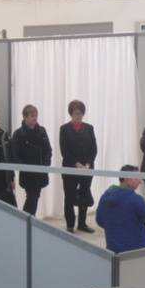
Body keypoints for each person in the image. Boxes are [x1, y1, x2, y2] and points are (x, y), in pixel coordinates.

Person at [59, 100, 97, 233]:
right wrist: (77, 164)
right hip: (71, 168)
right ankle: (70, 225)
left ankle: (82, 223)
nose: (78, 116)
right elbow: (65, 151)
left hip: (87, 168)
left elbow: (93, 149)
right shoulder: (65, 129)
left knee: (84, 195)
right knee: (69, 197)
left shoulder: (89, 128)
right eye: (76, 113)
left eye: (80, 113)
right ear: (71, 114)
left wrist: (87, 164)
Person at [11, 104, 52, 215]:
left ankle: (29, 218)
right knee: (32, 196)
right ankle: (27, 219)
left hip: (41, 171)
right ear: (25, 117)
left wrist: (46, 164)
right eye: (32, 116)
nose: (35, 118)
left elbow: (48, 149)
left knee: (35, 196)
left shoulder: (42, 131)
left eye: (36, 116)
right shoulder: (19, 134)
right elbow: (14, 154)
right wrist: (24, 167)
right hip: (27, 173)